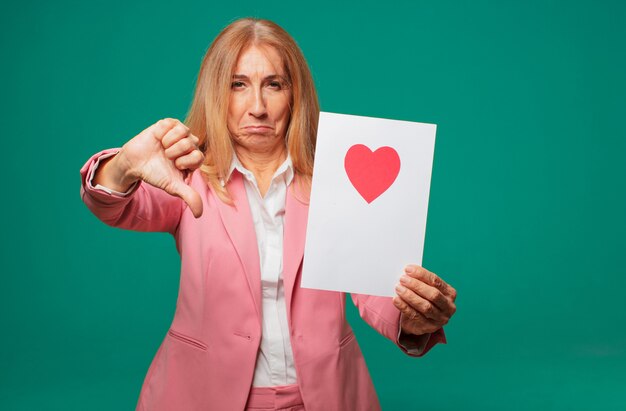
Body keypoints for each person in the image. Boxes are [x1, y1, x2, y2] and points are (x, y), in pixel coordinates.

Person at [80, 17, 457, 411]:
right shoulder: (185, 176)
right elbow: (112, 205)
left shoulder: (339, 180)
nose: (257, 107)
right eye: (237, 85)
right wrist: (124, 165)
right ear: (216, 94)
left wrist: (410, 321)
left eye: (273, 84)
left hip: (324, 396)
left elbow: (370, 288)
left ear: (294, 95)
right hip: (203, 395)